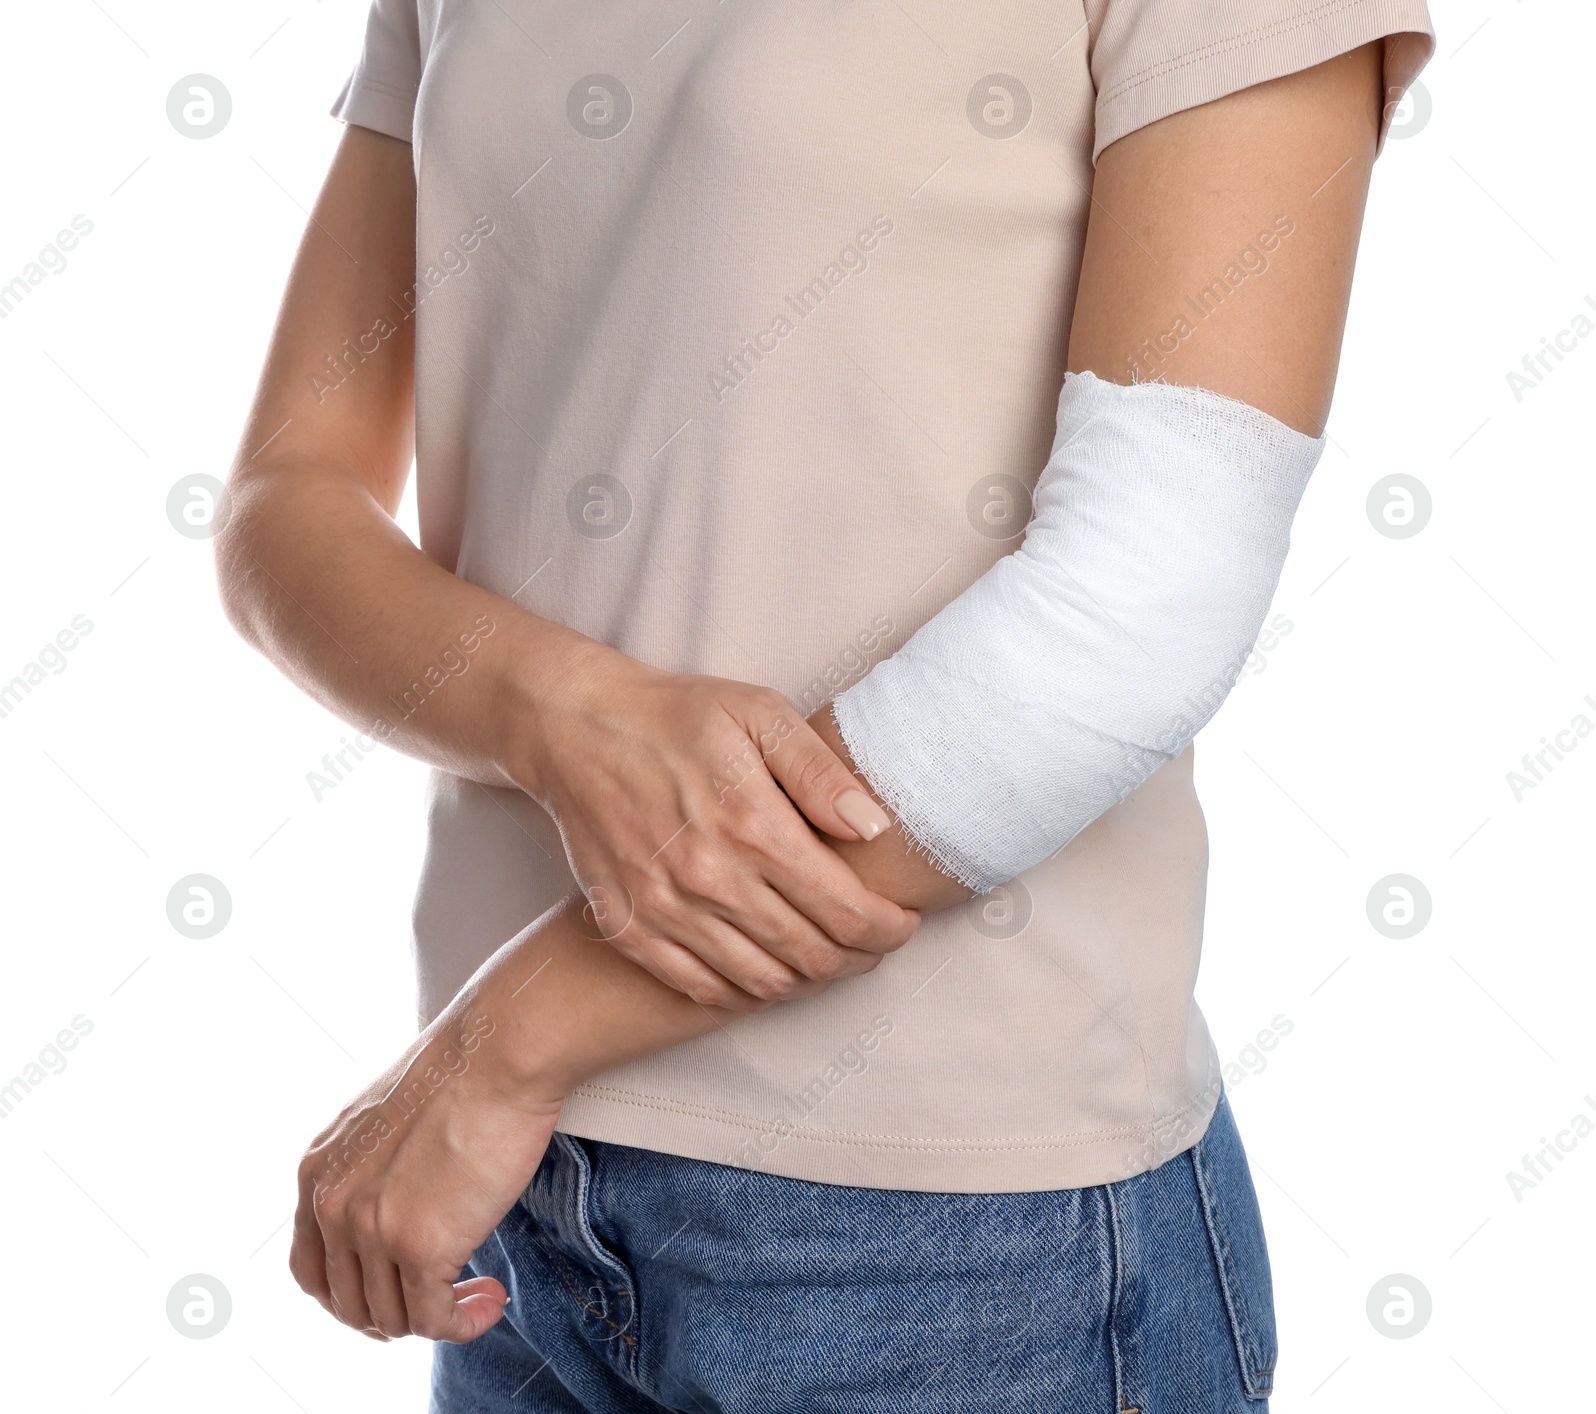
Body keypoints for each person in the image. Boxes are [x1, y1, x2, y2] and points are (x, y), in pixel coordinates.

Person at [216, 4, 1434, 1409]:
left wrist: (518, 1034)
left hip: (960, 1239)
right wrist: (555, 712)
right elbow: (286, 499)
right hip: (517, 1208)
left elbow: (1149, 588)